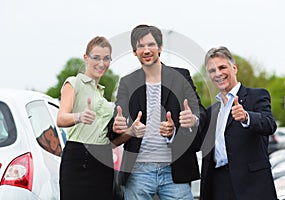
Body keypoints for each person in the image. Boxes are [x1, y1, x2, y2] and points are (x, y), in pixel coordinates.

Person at [108, 24, 207, 200]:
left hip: (175, 170)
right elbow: (117, 124)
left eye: (151, 45)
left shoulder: (181, 76)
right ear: (134, 51)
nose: (146, 50)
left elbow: (200, 112)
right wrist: (122, 127)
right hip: (138, 171)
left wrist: (191, 119)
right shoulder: (127, 82)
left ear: (160, 47)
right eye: (141, 46)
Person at [200, 46, 278, 200]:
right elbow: (199, 143)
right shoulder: (211, 111)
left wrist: (247, 117)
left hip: (251, 185)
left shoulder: (257, 96)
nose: (218, 74)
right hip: (218, 184)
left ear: (234, 68)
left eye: (222, 67)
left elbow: (269, 124)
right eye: (212, 71)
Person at [57, 36, 114, 200]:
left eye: (106, 58)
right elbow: (61, 119)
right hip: (78, 159)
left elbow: (111, 138)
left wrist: (130, 131)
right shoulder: (74, 83)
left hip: (104, 160)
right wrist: (79, 116)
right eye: (96, 57)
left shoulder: (103, 96)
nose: (101, 63)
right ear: (86, 58)